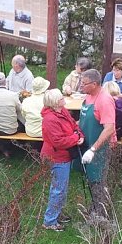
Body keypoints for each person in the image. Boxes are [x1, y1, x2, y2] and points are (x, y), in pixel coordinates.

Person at [40, 88, 85, 231]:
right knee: (58, 189)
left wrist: (79, 133)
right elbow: (58, 142)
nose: (63, 99)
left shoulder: (62, 111)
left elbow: (73, 125)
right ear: (54, 103)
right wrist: (76, 138)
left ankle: (57, 213)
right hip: (56, 157)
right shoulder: (50, 119)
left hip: (64, 156)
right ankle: (50, 221)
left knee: (61, 188)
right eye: (60, 98)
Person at [78, 69, 117, 217]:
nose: (81, 86)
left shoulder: (104, 100)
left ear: (94, 84)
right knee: (90, 179)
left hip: (99, 148)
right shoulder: (88, 97)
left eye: (84, 83)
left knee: (98, 181)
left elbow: (109, 128)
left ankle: (101, 215)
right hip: (86, 143)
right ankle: (94, 208)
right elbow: (84, 120)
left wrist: (93, 149)